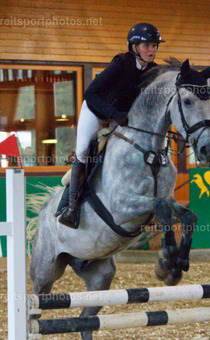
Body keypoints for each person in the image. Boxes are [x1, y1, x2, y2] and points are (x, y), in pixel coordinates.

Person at [58, 23, 164, 229]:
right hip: (96, 111)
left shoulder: (153, 70)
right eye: (147, 45)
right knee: (83, 151)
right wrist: (113, 114)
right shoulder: (120, 63)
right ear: (134, 47)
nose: (152, 50)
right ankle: (71, 208)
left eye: (154, 46)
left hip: (121, 116)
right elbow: (90, 93)